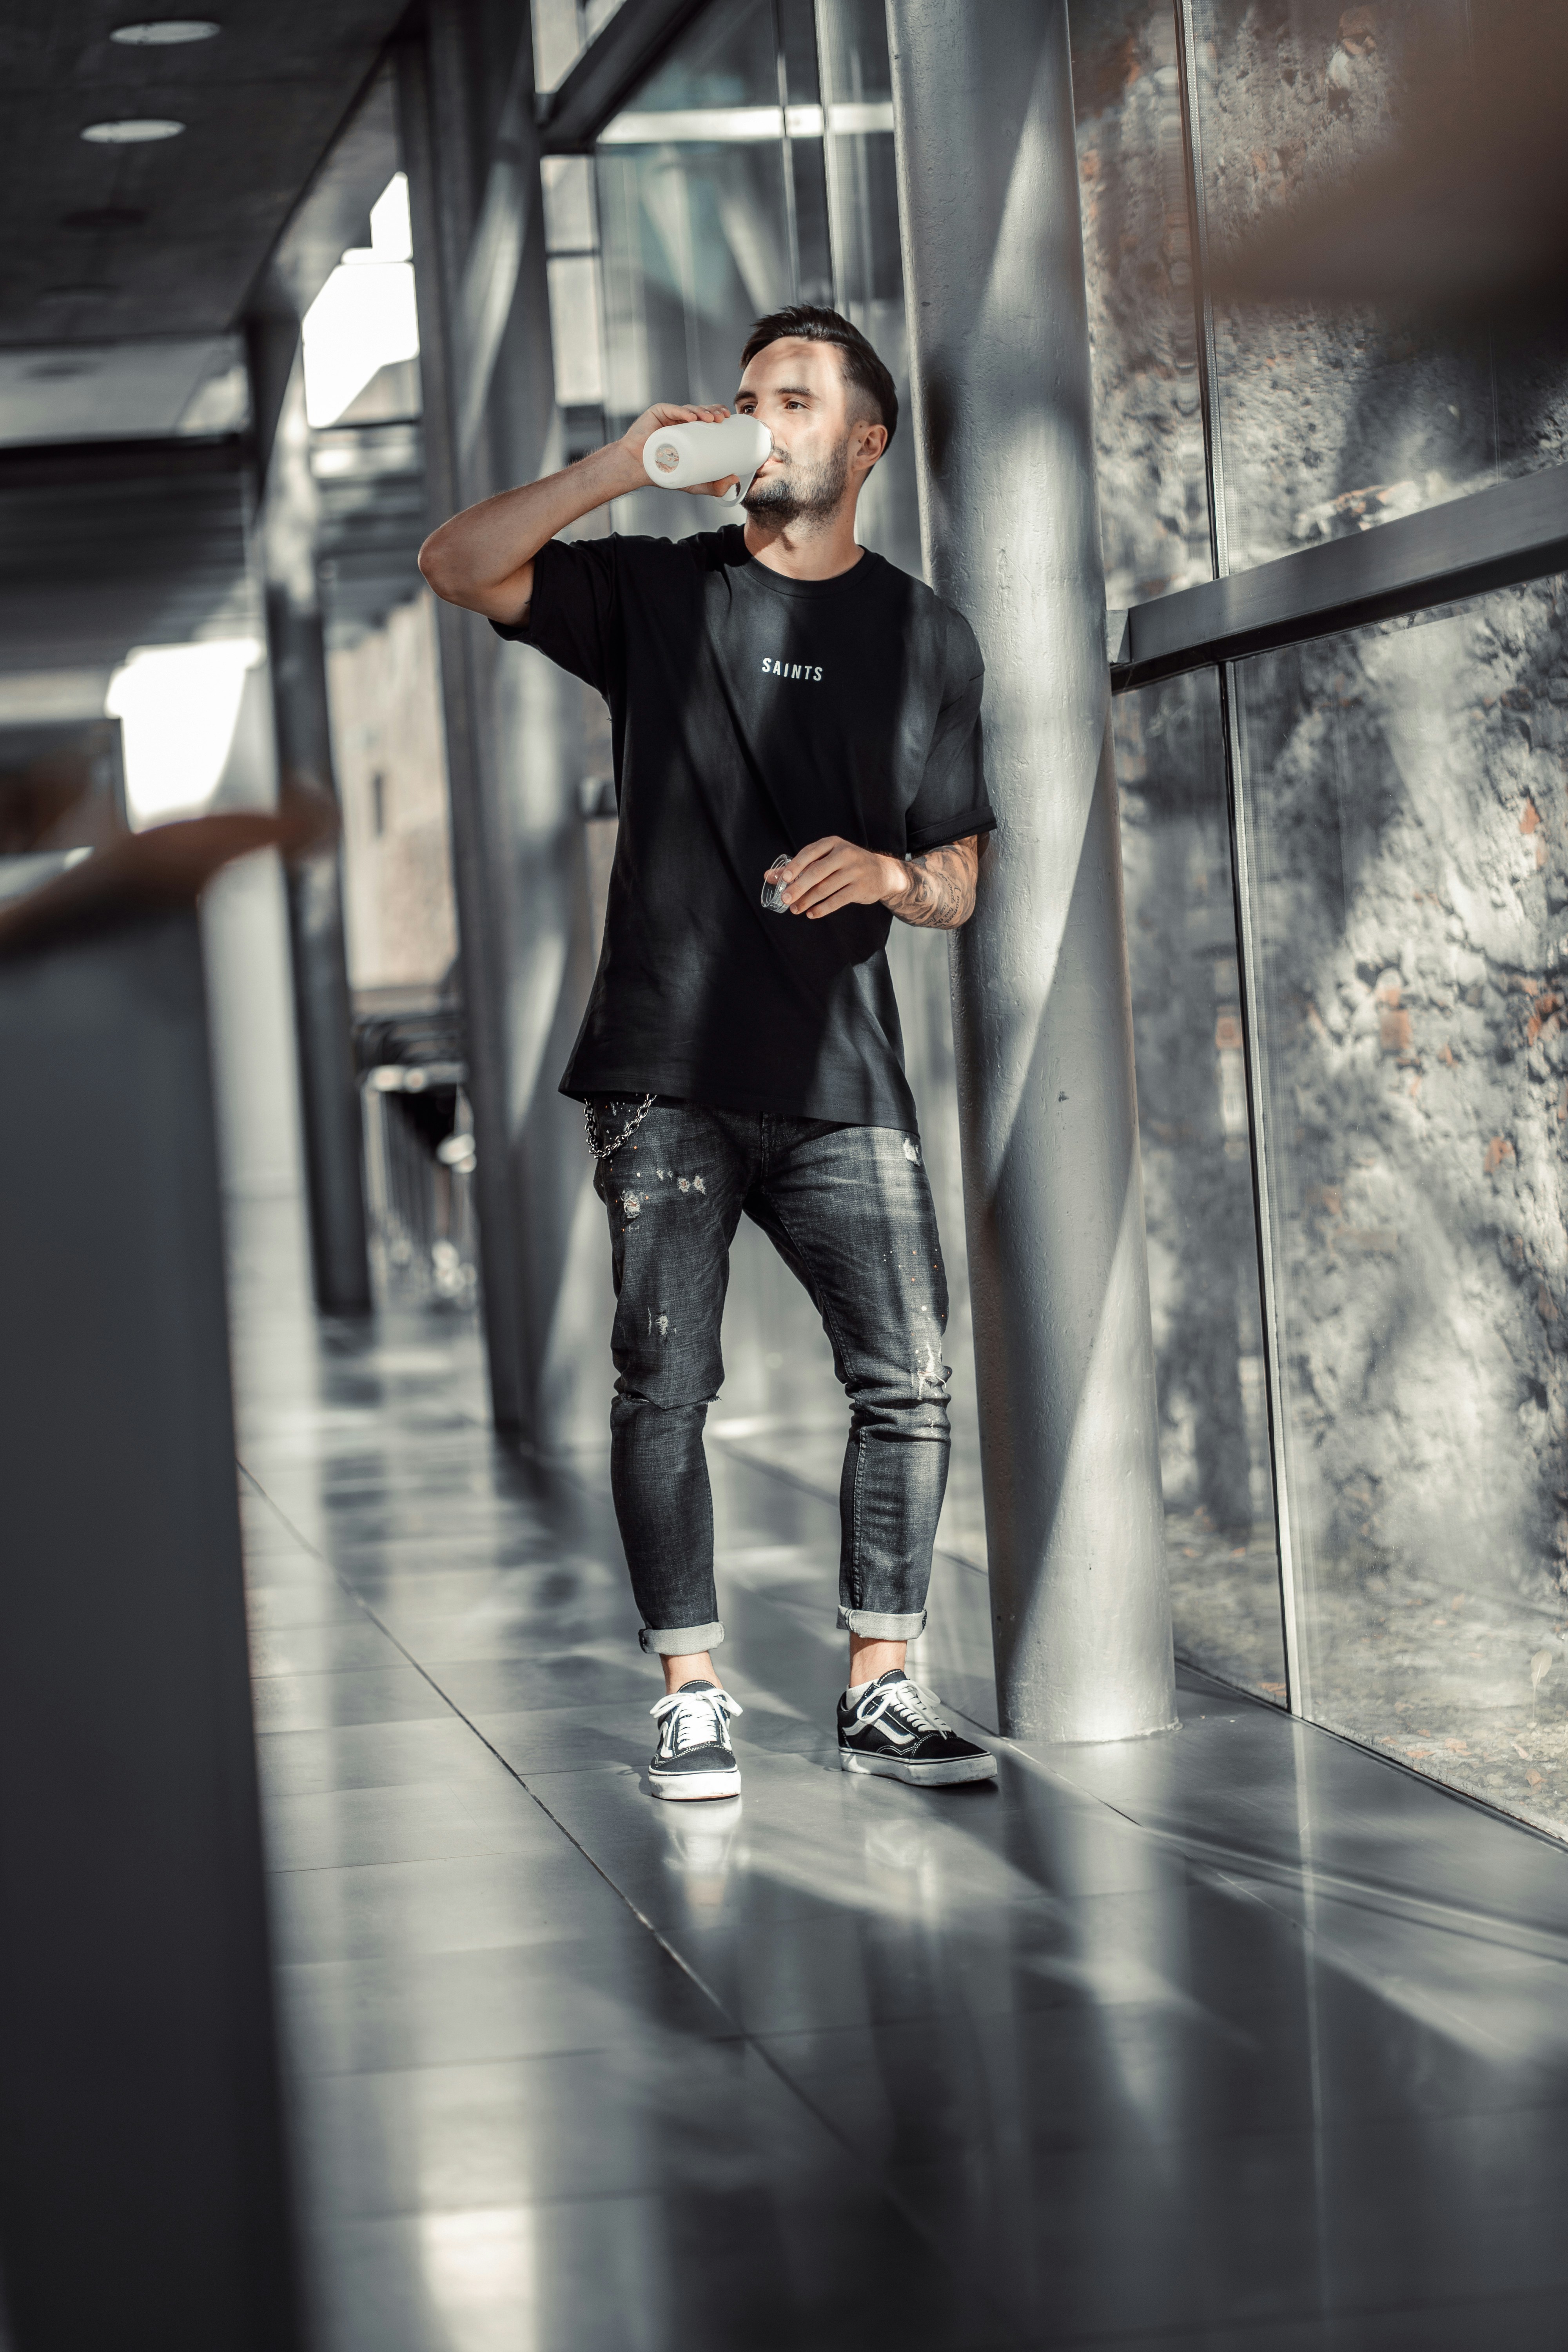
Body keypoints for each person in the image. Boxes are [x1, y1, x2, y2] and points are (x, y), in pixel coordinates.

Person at [419, 303, 998, 1802]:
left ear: (863, 443)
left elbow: (958, 879)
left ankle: (883, 1683)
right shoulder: (660, 594)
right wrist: (625, 464)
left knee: (910, 1380)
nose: (762, 419)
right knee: (665, 1387)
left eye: (793, 400)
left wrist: (886, 873)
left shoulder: (926, 635)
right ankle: (691, 1692)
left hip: (842, 1079)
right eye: (749, 398)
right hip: (664, 1070)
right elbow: (458, 565)